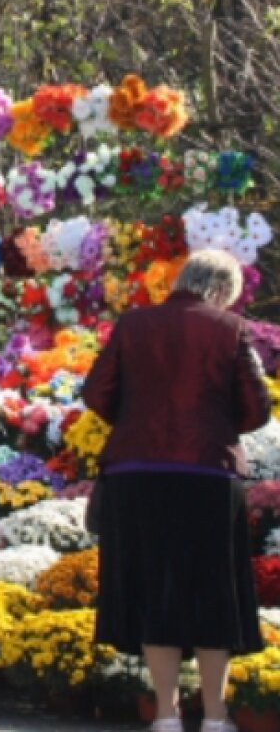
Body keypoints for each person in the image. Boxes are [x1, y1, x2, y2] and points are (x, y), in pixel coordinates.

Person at [82, 248, 271, 732]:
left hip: (136, 474)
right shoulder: (230, 331)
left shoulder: (133, 324)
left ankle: (165, 715)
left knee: (154, 591)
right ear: (223, 290)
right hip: (207, 474)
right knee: (213, 593)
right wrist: (215, 423)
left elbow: (97, 391)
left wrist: (136, 422)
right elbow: (257, 408)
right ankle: (214, 716)